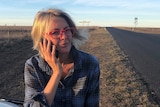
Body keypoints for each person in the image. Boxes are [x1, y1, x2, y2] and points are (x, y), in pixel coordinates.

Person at [24, 8, 100, 107]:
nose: (64, 36)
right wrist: (56, 73)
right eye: (55, 32)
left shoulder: (90, 63)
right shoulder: (33, 66)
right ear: (42, 38)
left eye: (67, 30)